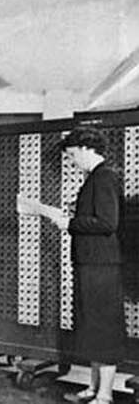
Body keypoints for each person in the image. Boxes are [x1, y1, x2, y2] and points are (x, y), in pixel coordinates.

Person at [49, 126, 126, 404]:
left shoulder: (104, 177)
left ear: (85, 148)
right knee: (93, 325)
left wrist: (69, 223)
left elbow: (107, 223)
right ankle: (94, 388)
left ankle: (104, 395)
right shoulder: (96, 177)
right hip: (92, 264)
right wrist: (77, 212)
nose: (71, 161)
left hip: (101, 267)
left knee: (103, 328)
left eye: (71, 155)